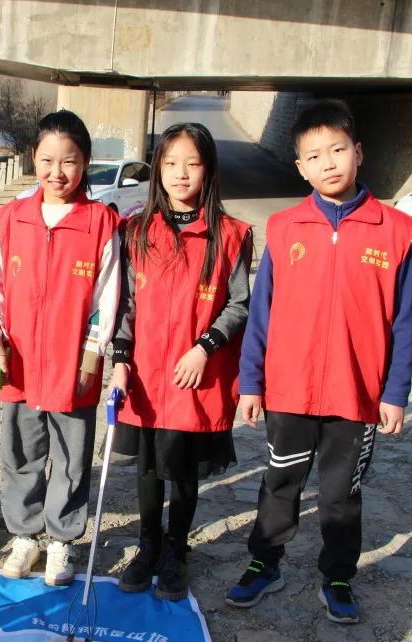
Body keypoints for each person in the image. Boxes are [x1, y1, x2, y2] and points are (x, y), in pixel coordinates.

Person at [225, 99, 412, 624]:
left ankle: (337, 576)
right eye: (314, 156)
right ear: (300, 167)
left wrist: (394, 392)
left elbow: (404, 321)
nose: (328, 163)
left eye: (337, 150)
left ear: (358, 152)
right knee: (279, 483)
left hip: (356, 395)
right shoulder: (285, 228)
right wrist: (251, 381)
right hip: (289, 389)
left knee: (341, 495)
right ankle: (264, 563)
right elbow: (261, 312)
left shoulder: (394, 229)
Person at [109, 122, 252, 601]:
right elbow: (125, 303)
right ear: (158, 170)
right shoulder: (135, 232)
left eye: (192, 163)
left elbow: (239, 304)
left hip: (196, 375)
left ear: (208, 169)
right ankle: (147, 545)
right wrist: (121, 360)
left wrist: (204, 346)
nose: (180, 173)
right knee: (148, 470)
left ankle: (176, 549)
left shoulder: (231, 235)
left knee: (184, 471)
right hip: (147, 374)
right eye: (170, 163)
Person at [0, 110, 121, 586]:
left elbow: (106, 295)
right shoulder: (10, 218)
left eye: (69, 161)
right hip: (18, 361)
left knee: (72, 456)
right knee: (20, 453)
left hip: (73, 364)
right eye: (47, 160)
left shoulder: (101, 222)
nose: (57, 172)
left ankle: (61, 540)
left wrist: (91, 355)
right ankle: (25, 535)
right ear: (32, 158)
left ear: (86, 163)